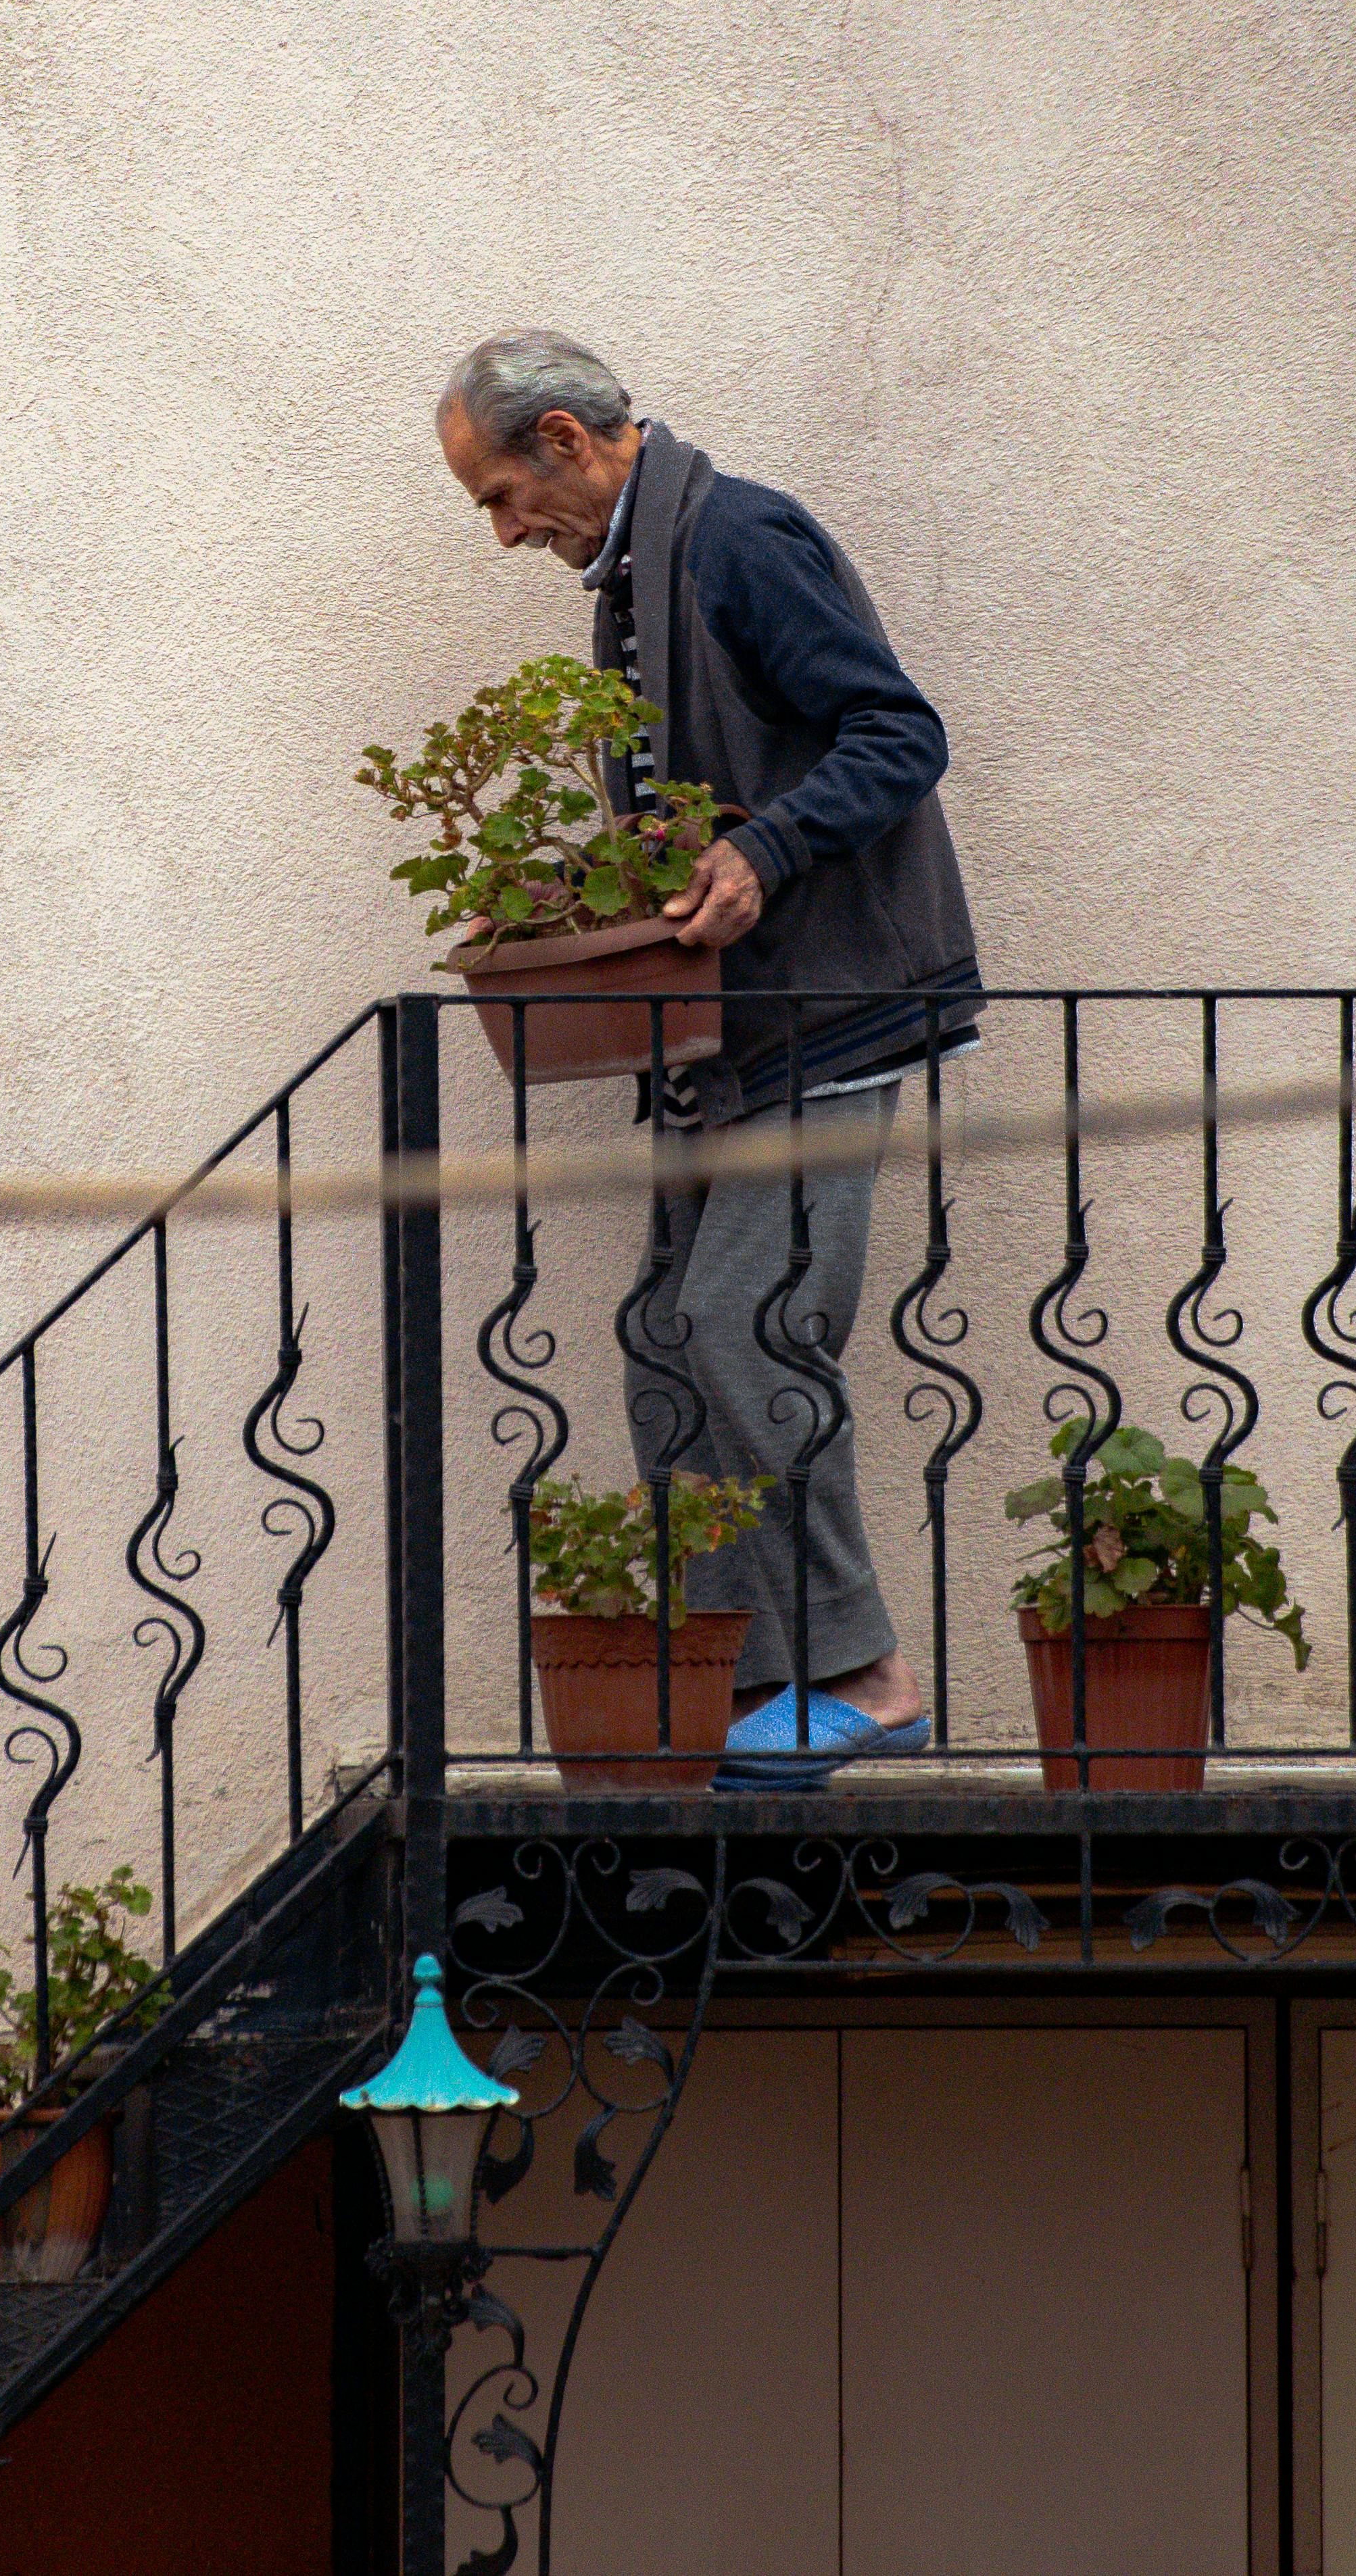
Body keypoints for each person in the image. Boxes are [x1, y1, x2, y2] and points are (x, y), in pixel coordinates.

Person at [434, 328, 982, 1779]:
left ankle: (866, 1672)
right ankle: (735, 1674)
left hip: (829, 1010)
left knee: (750, 1322)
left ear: (564, 439)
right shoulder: (638, 576)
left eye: (501, 495)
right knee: (670, 1336)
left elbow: (898, 731)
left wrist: (767, 848)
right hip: (732, 1033)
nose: (503, 534)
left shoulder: (737, 538)